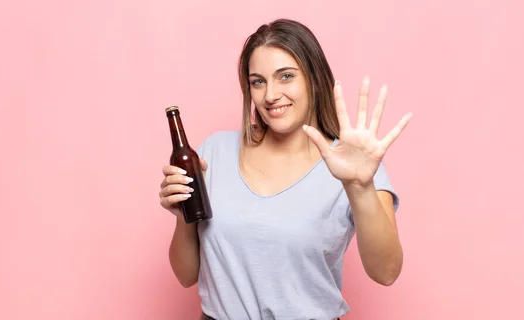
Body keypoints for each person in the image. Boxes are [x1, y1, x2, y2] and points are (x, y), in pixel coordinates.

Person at [159, 18, 412, 320]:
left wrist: (360, 188)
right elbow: (186, 276)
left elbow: (386, 272)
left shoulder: (351, 164)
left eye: (286, 76)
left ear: (313, 78)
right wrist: (183, 216)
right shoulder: (214, 152)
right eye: (258, 81)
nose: (270, 95)